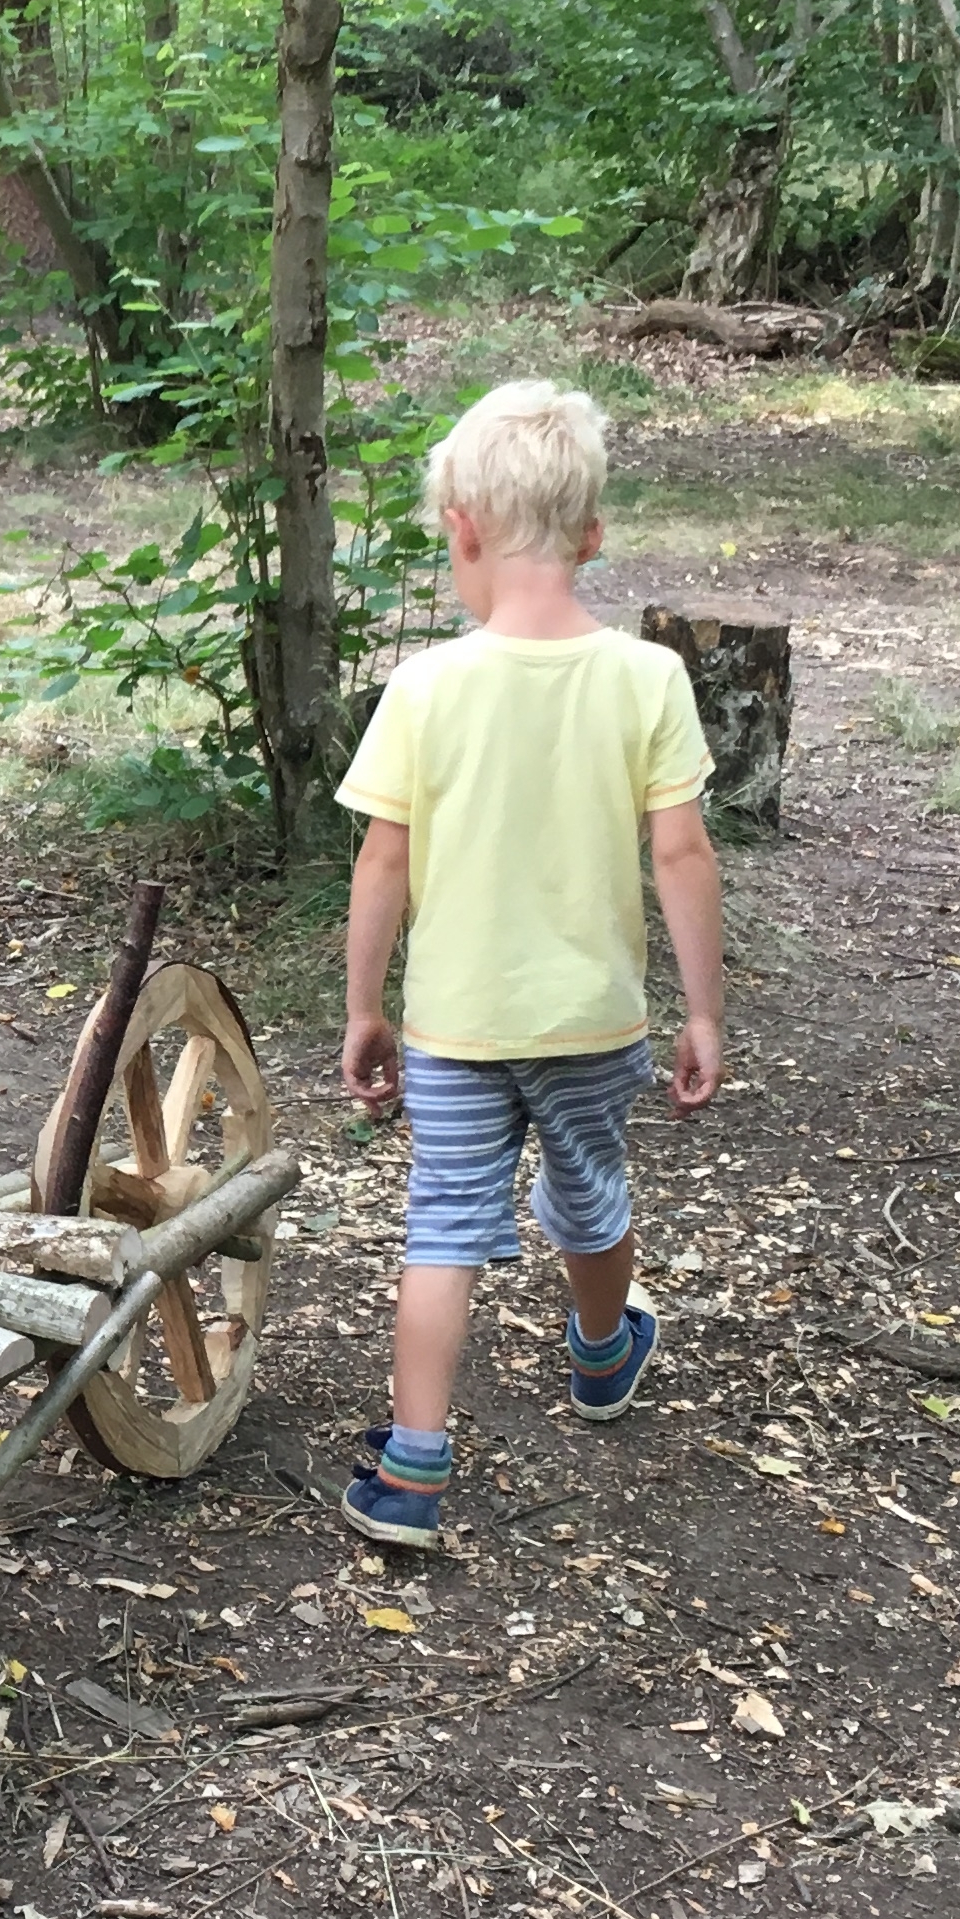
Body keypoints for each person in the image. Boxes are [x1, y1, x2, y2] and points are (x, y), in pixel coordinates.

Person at [333, 379, 728, 1552]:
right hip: (593, 1022)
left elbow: (382, 867)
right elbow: (683, 854)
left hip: (457, 1025)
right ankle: (603, 1356)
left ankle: (411, 1471)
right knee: (588, 1192)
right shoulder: (648, 678)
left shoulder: (427, 685)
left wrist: (364, 1008)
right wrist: (704, 1013)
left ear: (459, 526)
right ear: (593, 533)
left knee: (444, 1229)